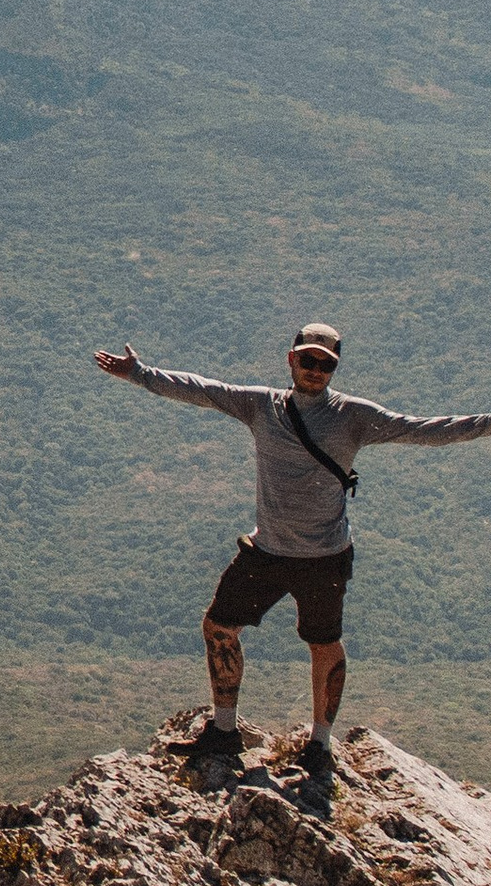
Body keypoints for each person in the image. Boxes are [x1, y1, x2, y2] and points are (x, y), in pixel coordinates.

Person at [94, 322, 491, 773]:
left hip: (325, 558)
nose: (316, 370)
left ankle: (320, 746)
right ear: (291, 359)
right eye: (309, 360)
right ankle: (225, 731)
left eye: (326, 364)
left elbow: (423, 429)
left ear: (335, 368)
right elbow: (203, 390)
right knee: (219, 627)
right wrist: (140, 373)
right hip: (268, 552)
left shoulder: (353, 416)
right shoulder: (262, 405)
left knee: (324, 645)